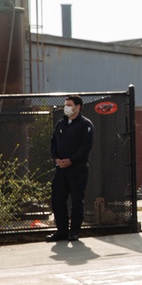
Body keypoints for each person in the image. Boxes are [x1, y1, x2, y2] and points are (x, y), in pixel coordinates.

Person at [48, 95, 95, 242]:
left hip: (78, 170)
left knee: (76, 201)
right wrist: (56, 159)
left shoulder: (85, 125)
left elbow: (85, 147)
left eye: (69, 104)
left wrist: (71, 160)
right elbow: (53, 143)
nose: (66, 107)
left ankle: (74, 232)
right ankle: (61, 231)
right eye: (65, 105)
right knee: (57, 199)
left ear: (78, 107)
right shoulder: (61, 124)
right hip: (61, 170)